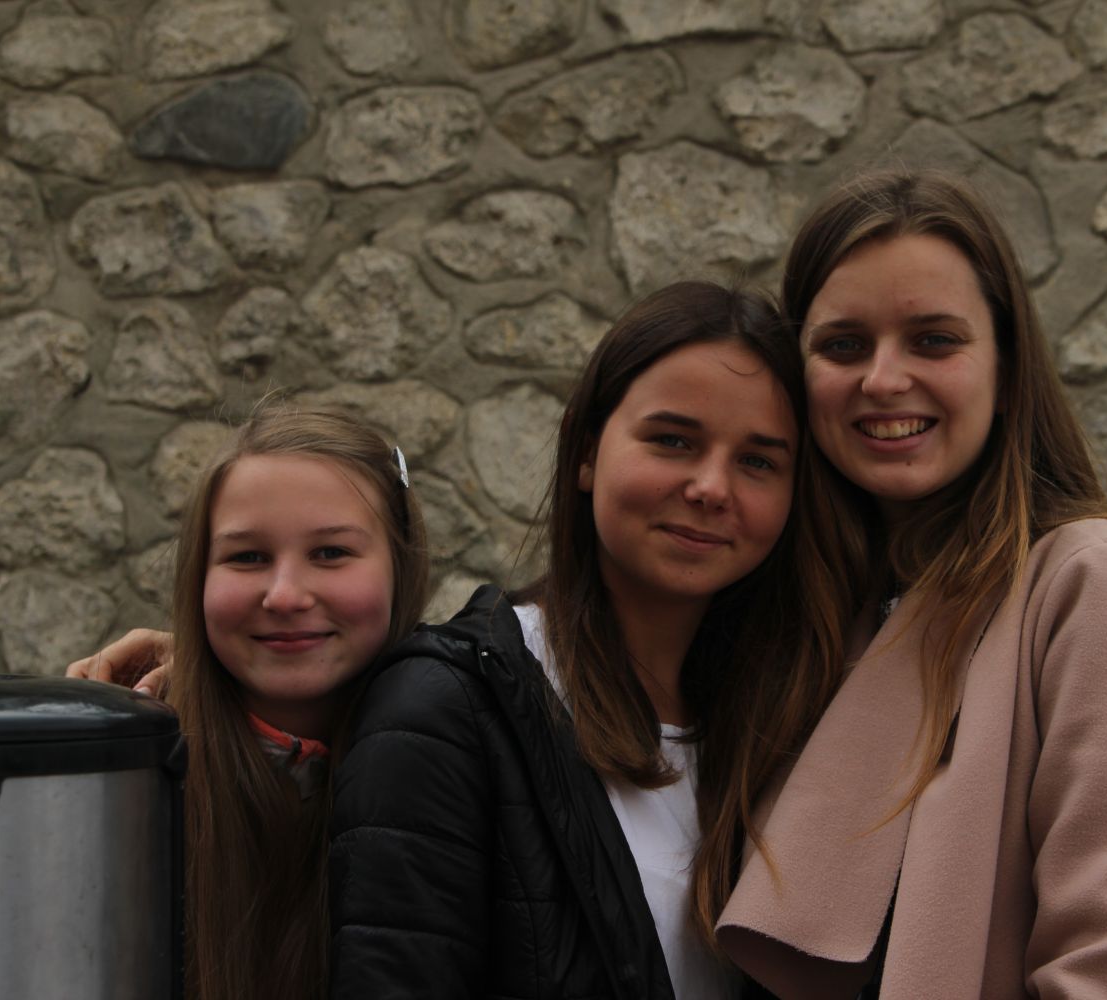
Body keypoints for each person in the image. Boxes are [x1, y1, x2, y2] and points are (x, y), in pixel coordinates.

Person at [714, 169, 1107, 997]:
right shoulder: (821, 622)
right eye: (843, 345)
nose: (883, 379)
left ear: (1008, 370)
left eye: (934, 340)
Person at [327, 281, 843, 999]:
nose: (711, 487)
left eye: (758, 461)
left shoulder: (797, 727)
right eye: (672, 440)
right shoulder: (449, 710)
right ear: (587, 451)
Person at [144, 405, 427, 1000]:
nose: (285, 595)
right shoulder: (132, 785)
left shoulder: (471, 767)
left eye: (330, 553)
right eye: (247, 557)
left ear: (401, 566)